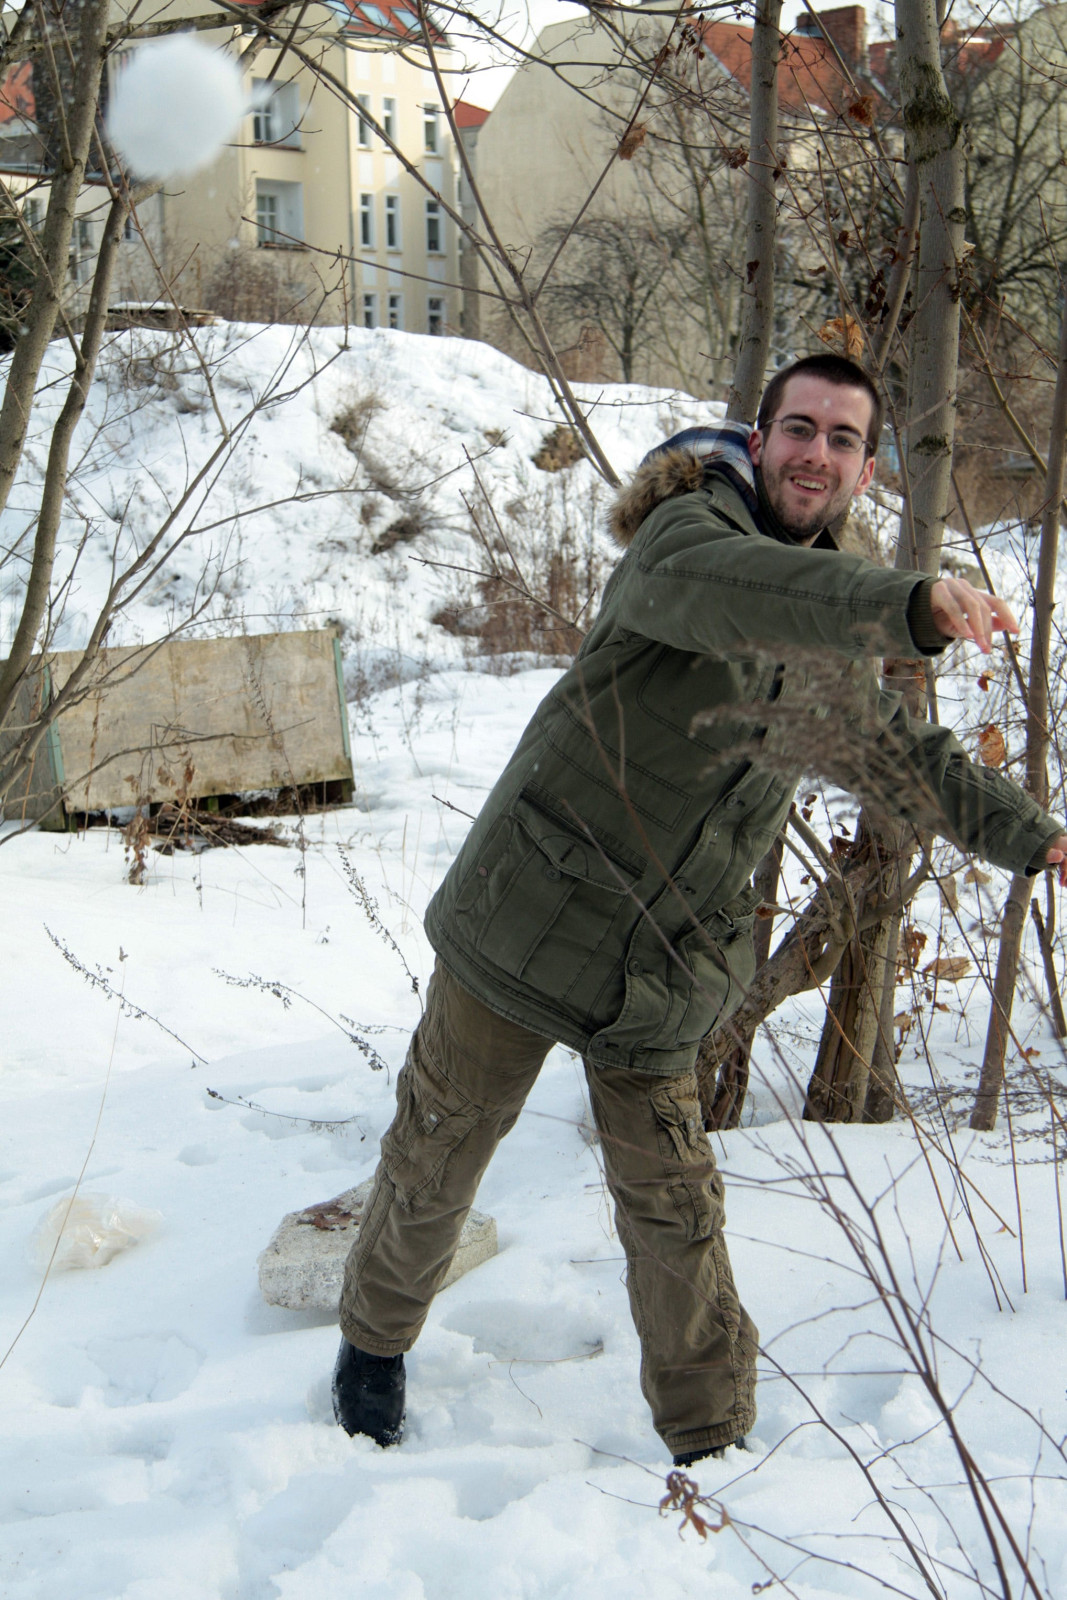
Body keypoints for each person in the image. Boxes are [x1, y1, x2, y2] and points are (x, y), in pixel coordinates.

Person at [331, 353, 1067, 1465]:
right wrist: (906, 605)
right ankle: (372, 1349)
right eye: (798, 429)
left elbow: (898, 749)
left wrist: (1032, 836)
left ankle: (712, 1440)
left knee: (675, 1207)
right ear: (758, 440)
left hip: (664, 963)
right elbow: (744, 592)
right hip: (528, 916)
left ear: (866, 470)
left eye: (842, 439)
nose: (815, 453)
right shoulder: (681, 539)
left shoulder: (830, 605)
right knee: (436, 1155)